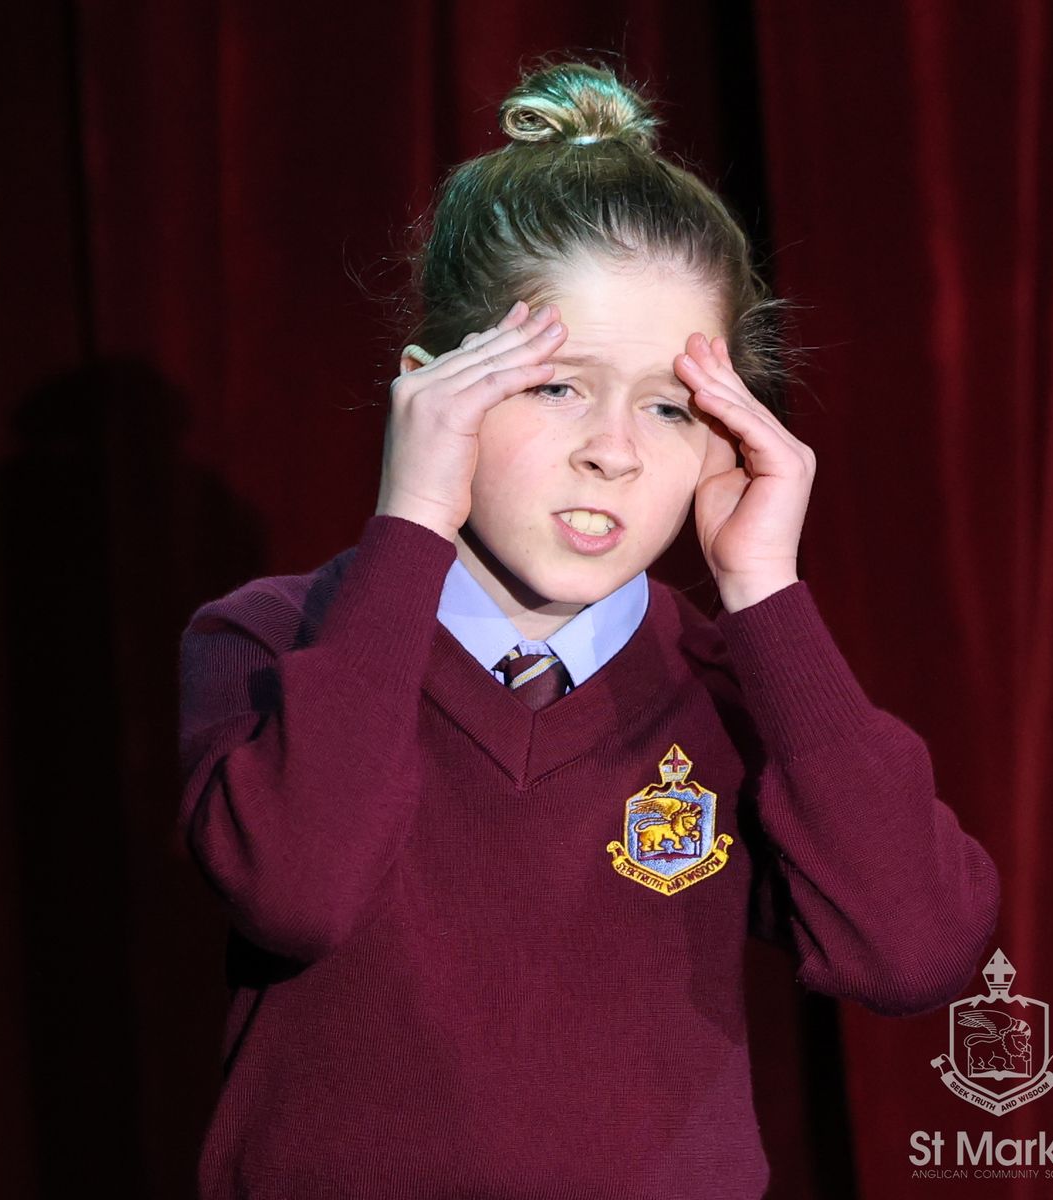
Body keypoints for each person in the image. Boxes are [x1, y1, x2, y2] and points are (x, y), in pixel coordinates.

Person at [178, 58, 1000, 1199]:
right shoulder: (270, 641)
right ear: (431, 393)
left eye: (668, 406)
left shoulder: (728, 686)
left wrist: (765, 591)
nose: (613, 450)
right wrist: (410, 522)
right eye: (557, 386)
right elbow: (299, 894)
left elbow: (915, 954)